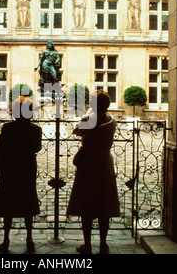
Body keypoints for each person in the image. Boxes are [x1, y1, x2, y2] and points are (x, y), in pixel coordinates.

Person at [66, 90, 121, 254]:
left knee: (87, 205)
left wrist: (88, 114)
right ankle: (103, 244)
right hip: (105, 163)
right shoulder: (112, 121)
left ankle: (87, 245)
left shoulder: (87, 119)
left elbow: (76, 131)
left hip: (89, 164)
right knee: (104, 203)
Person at [0, 96, 42, 253]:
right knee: (28, 202)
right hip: (26, 168)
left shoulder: (7, 128)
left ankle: (6, 239)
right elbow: (37, 148)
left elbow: (2, 146)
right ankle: (29, 238)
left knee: (8, 204)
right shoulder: (36, 129)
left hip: (10, 168)